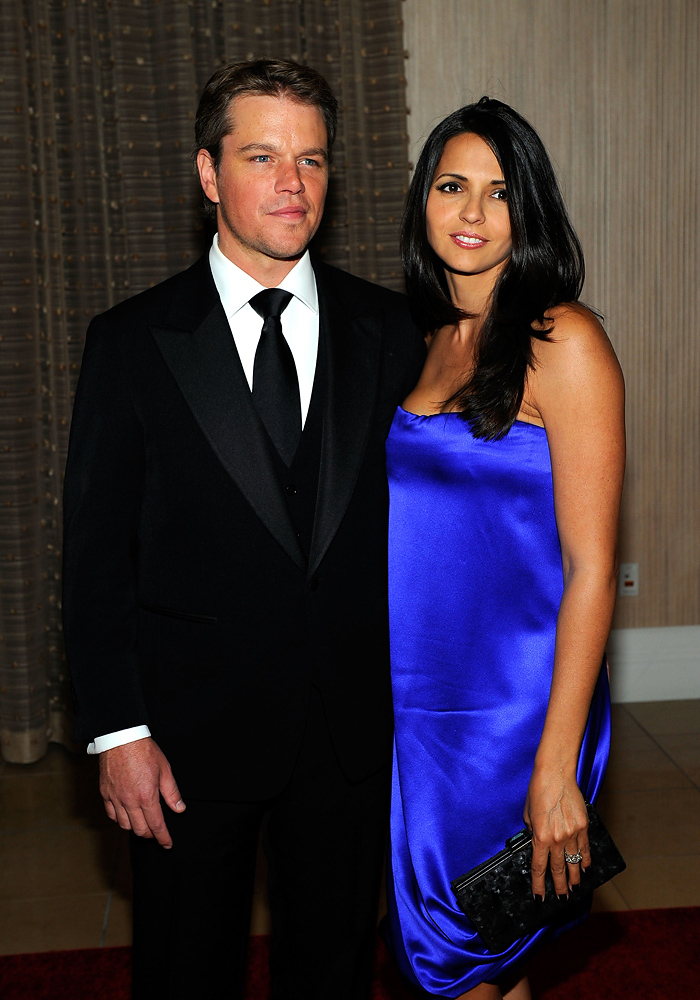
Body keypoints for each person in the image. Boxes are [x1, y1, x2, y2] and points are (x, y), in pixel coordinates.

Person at [62, 58, 425, 1000]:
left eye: (311, 159)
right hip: (186, 741)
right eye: (262, 156)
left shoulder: (393, 332)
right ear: (208, 173)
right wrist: (116, 733)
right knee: (185, 971)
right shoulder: (132, 342)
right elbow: (95, 558)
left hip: (350, 736)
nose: (292, 183)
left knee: (336, 970)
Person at [383, 98, 625, 999]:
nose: (473, 213)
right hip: (424, 706)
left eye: (499, 192)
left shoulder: (563, 341)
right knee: (481, 950)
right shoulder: (428, 343)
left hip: (514, 713)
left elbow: (594, 567)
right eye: (453, 186)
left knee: (456, 958)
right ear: (424, 202)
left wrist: (556, 767)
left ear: (530, 212)